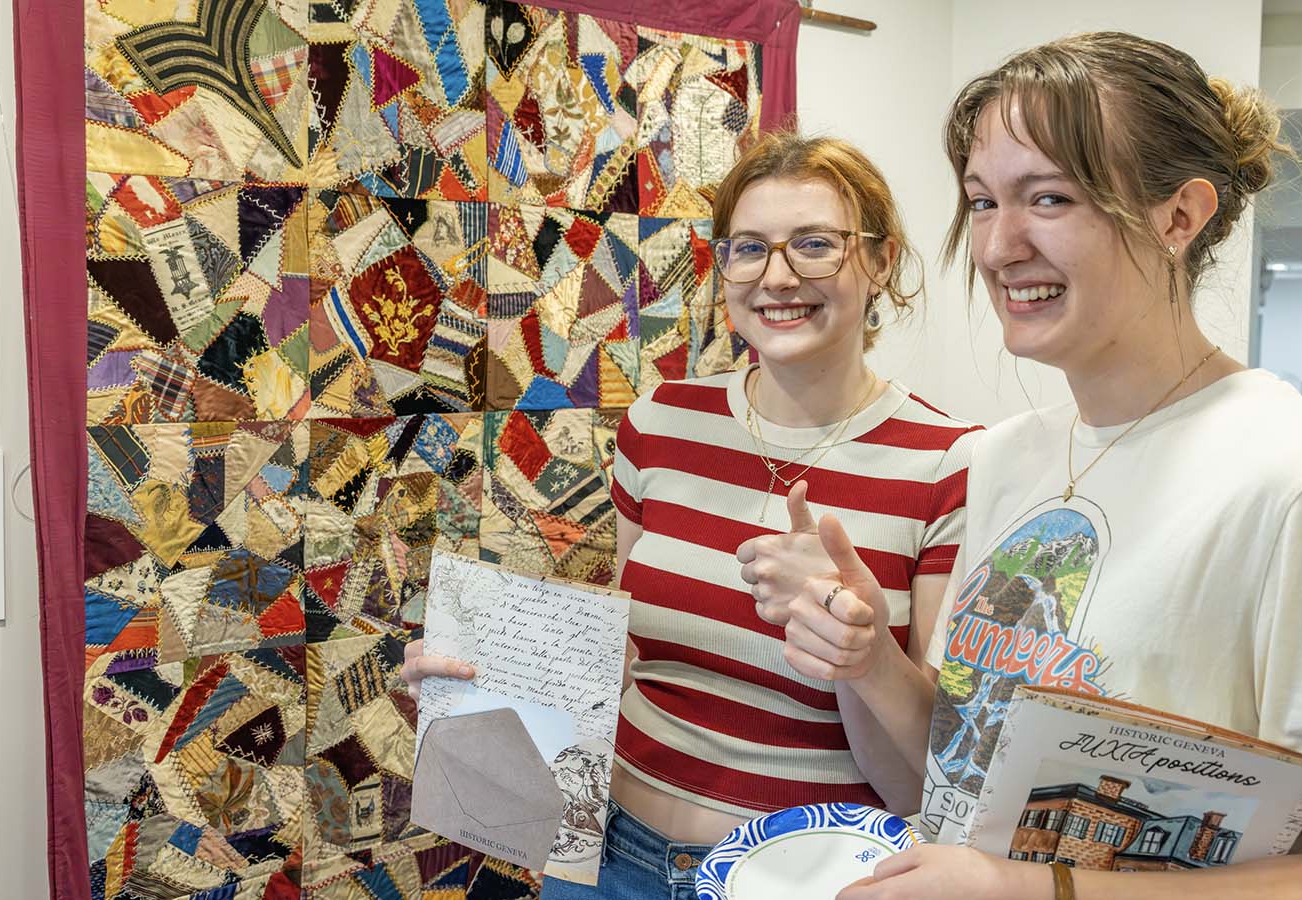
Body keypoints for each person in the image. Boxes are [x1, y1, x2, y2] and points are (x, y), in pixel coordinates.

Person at [749, 32, 1302, 900]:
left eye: (1049, 198)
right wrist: (868, 659)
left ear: (1179, 218)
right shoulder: (1004, 456)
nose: (997, 247)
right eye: (982, 202)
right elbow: (955, 785)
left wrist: (1032, 889)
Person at [400, 131, 984, 899]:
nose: (778, 276)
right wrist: (482, 688)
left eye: (815, 244)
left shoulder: (953, 463)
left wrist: (861, 649)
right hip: (608, 857)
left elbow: (929, 777)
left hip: (803, 880)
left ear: (879, 261)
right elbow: (629, 658)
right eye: (750, 249)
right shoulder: (662, 420)